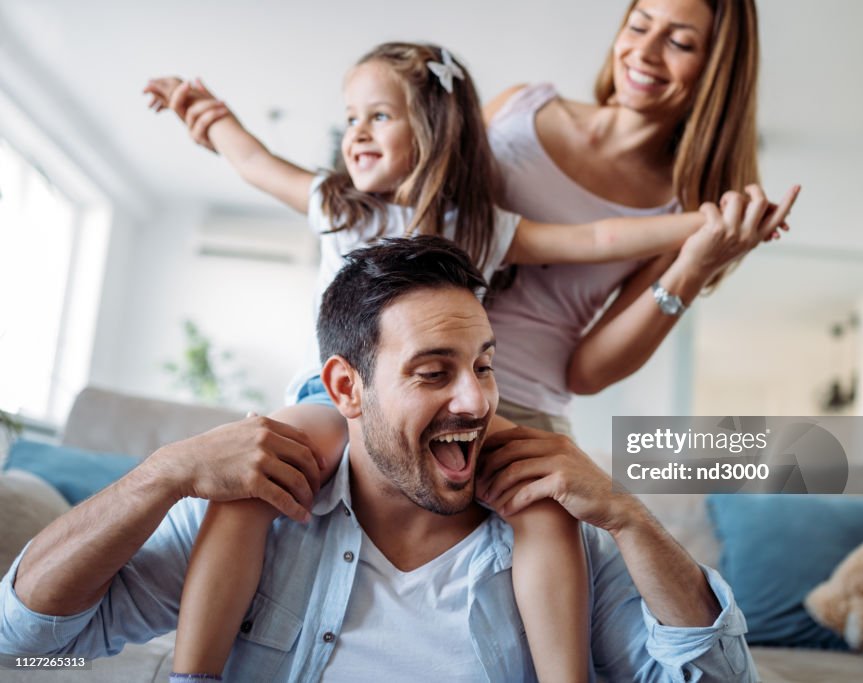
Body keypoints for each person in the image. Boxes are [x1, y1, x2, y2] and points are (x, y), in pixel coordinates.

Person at [140, 41, 794, 681]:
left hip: (453, 402)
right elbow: (255, 162)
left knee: (544, 505)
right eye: (350, 118)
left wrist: (708, 228)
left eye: (378, 116)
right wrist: (209, 117)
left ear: (429, 131)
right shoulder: (336, 202)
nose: (356, 133)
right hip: (331, 397)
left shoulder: (482, 226)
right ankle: (193, 673)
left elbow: (599, 238)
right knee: (253, 473)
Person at [0, 236, 758, 682]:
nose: (474, 399)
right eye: (434, 372)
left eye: (484, 365)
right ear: (345, 388)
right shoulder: (263, 506)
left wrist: (628, 514)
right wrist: (161, 473)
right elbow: (26, 637)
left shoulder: (557, 527)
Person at [483, 0, 794, 433]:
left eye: (680, 42)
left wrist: (695, 266)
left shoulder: (685, 211)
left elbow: (586, 374)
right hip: (402, 372)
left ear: (716, 70)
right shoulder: (516, 107)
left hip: (518, 409)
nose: (644, 52)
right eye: (638, 26)